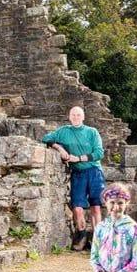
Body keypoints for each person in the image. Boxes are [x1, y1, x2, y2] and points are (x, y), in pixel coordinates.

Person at [41, 106, 105, 251]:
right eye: (73, 115)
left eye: (78, 115)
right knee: (77, 206)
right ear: (69, 117)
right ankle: (81, 236)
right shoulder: (64, 131)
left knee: (95, 206)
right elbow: (46, 138)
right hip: (78, 173)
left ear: (83, 117)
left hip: (94, 171)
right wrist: (60, 148)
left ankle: (98, 240)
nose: (76, 117)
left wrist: (80, 158)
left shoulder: (92, 132)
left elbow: (99, 153)